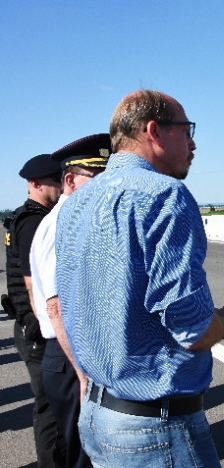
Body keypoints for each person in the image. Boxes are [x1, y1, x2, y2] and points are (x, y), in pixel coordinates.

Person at [55, 90, 224, 467]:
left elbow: (67, 303)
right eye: (187, 130)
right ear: (154, 131)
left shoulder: (75, 203)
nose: (193, 144)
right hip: (155, 426)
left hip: (97, 413)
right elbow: (192, 329)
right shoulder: (165, 195)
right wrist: (223, 322)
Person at [30, 134, 111, 468]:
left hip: (82, 356)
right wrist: (83, 375)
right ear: (70, 180)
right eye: (100, 178)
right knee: (84, 457)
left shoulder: (81, 223)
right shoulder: (57, 226)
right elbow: (55, 306)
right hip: (70, 360)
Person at [4, 154, 65, 467]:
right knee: (52, 407)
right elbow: (32, 284)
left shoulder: (28, 217)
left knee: (54, 404)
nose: (60, 186)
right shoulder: (34, 221)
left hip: (33, 325)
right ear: (36, 183)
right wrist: (47, 326)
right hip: (37, 328)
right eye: (56, 180)